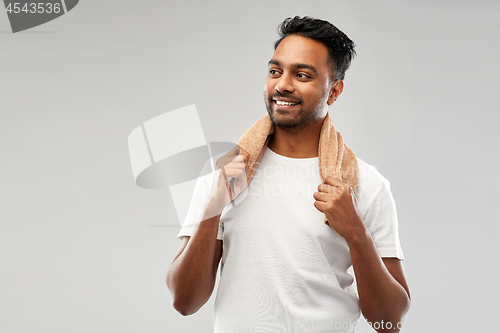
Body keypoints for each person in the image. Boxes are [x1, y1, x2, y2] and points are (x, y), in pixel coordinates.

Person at [166, 16, 410, 333]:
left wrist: (356, 233)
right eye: (275, 71)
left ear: (334, 91)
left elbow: (389, 322)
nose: (282, 84)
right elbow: (184, 302)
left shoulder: (365, 185)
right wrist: (214, 204)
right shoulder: (225, 172)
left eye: (302, 74)